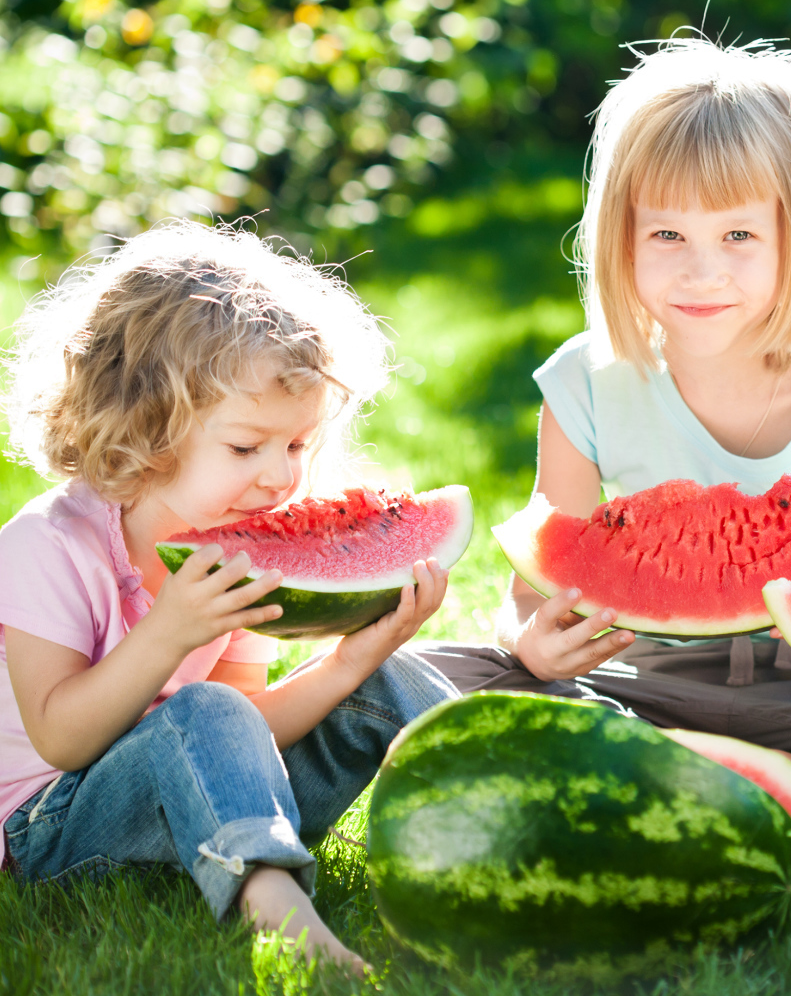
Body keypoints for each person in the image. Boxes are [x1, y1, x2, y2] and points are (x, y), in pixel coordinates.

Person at [417, 38, 791, 750]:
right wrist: (531, 644)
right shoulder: (585, 384)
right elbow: (532, 596)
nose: (703, 273)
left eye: (738, 234)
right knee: (420, 676)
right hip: (629, 687)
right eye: (667, 232)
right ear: (619, 236)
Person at [0, 222, 460, 968]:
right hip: (54, 827)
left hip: (216, 805)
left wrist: (351, 664)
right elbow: (62, 739)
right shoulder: (44, 548)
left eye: (297, 445)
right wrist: (170, 632)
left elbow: (245, 731)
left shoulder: (241, 542)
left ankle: (525, 816)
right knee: (202, 709)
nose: (280, 477)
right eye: (247, 448)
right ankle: (281, 915)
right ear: (145, 430)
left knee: (388, 675)